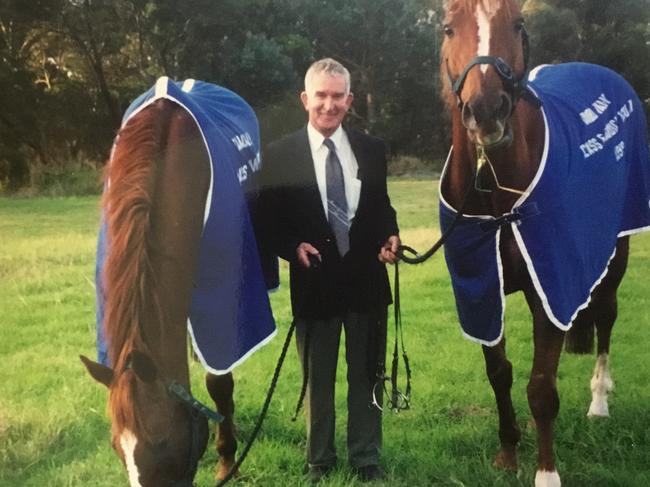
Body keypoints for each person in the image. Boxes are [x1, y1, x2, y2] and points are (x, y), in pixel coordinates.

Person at [262, 58, 400, 482]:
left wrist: (391, 237)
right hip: (315, 286)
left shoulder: (372, 149)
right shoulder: (280, 155)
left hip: (366, 284)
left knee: (367, 376)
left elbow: (382, 208)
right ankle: (319, 459)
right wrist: (291, 248)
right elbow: (268, 221)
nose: (329, 105)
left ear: (350, 100)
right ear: (305, 99)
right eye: (320, 95)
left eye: (338, 96)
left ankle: (366, 457)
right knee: (318, 381)